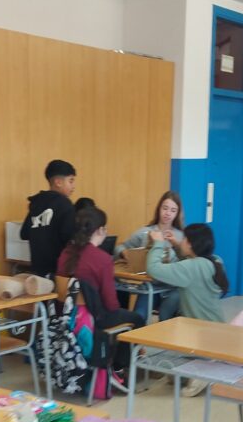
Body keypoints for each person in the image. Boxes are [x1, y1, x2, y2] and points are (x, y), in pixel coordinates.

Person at [146, 222, 230, 397]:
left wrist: (158, 244)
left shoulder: (192, 267)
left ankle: (205, 369)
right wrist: (177, 246)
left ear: (191, 244)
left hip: (201, 336)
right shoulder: (215, 260)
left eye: (184, 239)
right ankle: (203, 364)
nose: (181, 240)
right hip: (218, 331)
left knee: (155, 353)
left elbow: (154, 269)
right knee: (174, 375)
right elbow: (190, 267)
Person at [57, 206, 143, 373]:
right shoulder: (102, 259)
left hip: (67, 316)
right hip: (94, 318)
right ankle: (119, 367)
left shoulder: (65, 253)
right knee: (136, 318)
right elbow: (111, 305)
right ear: (100, 230)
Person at [115, 190, 185, 321]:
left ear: (177, 213)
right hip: (150, 285)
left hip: (173, 288)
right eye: (165, 208)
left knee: (166, 317)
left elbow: (188, 262)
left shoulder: (181, 236)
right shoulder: (145, 232)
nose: (168, 213)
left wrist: (177, 245)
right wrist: (124, 253)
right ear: (159, 208)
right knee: (139, 316)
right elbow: (120, 247)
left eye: (173, 210)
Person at [21, 159, 77, 276]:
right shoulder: (65, 204)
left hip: (38, 270)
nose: (74, 186)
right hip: (59, 271)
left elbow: (24, 233)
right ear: (58, 182)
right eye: (71, 181)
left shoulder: (36, 203)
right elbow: (70, 237)